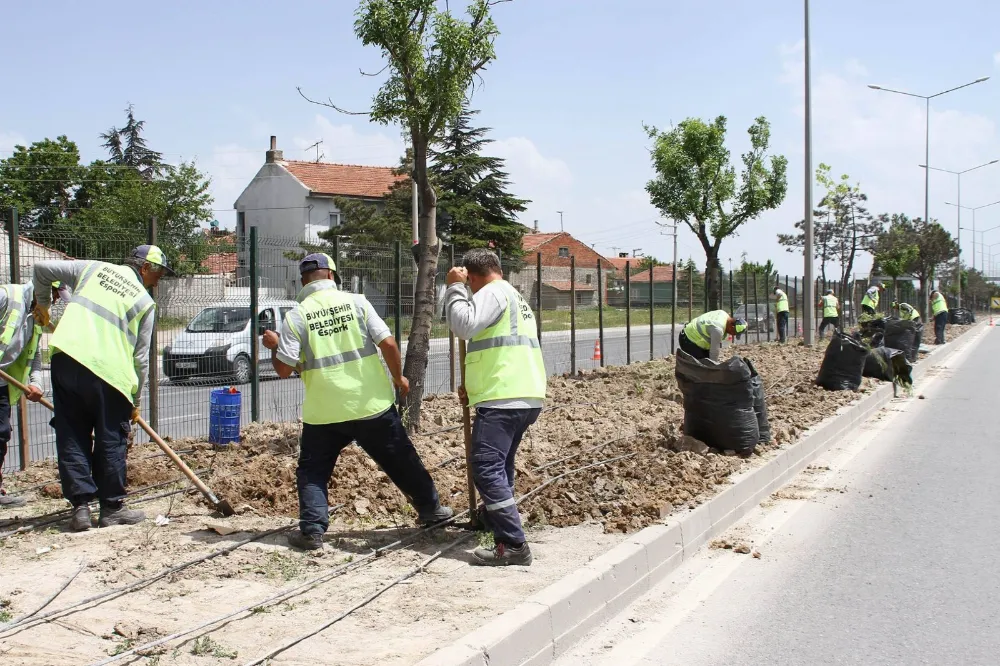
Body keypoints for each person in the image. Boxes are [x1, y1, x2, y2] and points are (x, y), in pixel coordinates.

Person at [263, 253, 452, 551]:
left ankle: (312, 531)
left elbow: (284, 369)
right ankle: (431, 510)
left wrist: (275, 346)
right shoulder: (357, 302)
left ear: (303, 282)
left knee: (313, 470)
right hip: (370, 404)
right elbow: (388, 343)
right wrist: (398, 378)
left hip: (324, 412)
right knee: (401, 458)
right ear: (333, 276)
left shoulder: (296, 315)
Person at [32, 246, 169, 531]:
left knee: (72, 433)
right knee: (110, 438)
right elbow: (141, 358)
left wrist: (43, 304)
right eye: (158, 273)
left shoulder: (92, 269)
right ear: (144, 268)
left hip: (66, 360)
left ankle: (81, 509)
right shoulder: (144, 302)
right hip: (109, 373)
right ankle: (111, 508)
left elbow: (41, 270)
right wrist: (136, 399)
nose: (158, 280)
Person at [445, 249, 547, 567]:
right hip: (520, 394)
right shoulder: (512, 295)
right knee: (499, 467)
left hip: (505, 397)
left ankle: (513, 545)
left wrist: (454, 288)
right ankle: (495, 521)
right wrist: (473, 388)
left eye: (469, 284)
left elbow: (464, 325)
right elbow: (495, 348)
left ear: (473, 278)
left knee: (487, 467)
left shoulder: (491, 292)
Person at [0, 281, 68, 507]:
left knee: (1, 434)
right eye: (55, 296)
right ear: (42, 288)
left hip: (2, 382)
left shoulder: (38, 316)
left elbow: (34, 356)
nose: (55, 302)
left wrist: (36, 383)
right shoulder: (7, 296)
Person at [678, 310, 747, 361]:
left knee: (706, 362)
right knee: (702, 366)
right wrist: (714, 369)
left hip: (687, 333)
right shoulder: (718, 329)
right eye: (733, 333)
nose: (733, 335)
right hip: (688, 340)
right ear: (732, 326)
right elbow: (714, 352)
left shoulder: (723, 313)